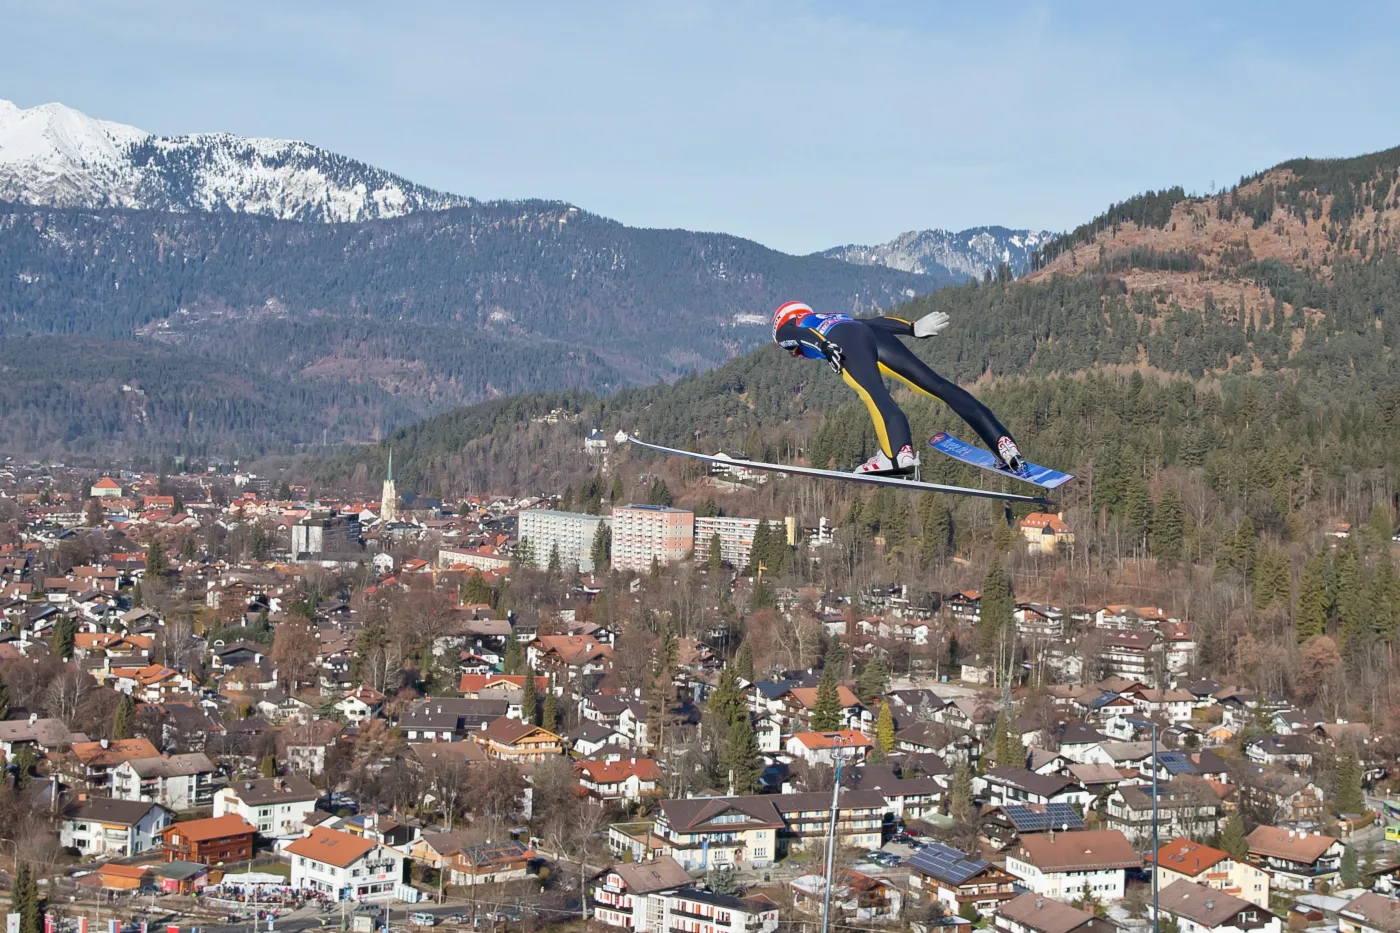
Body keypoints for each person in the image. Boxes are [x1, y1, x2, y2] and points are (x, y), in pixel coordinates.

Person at [772, 300, 1025, 475]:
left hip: (842, 343)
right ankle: (1003, 444)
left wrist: (825, 348)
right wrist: (911, 327)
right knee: (938, 386)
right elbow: (873, 322)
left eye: (792, 353)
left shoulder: (789, 328)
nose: (794, 354)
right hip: (868, 335)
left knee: (874, 394)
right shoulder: (831, 317)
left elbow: (797, 337)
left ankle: (897, 454)